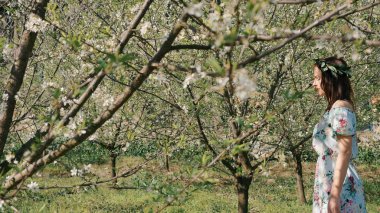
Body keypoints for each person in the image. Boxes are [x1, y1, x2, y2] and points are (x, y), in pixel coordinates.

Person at [311, 56, 367, 213]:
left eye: (317, 78)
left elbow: (345, 151)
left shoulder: (340, 109)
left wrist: (334, 195)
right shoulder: (334, 109)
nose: (313, 83)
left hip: (340, 186)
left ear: (330, 80)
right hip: (328, 180)